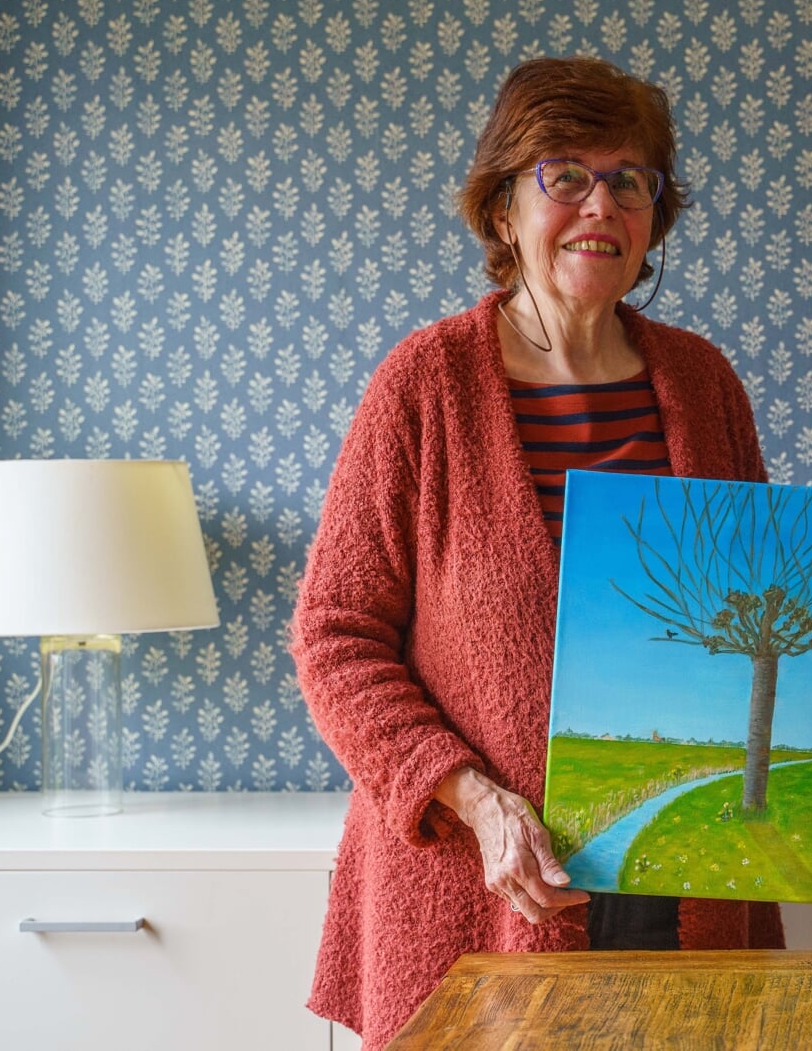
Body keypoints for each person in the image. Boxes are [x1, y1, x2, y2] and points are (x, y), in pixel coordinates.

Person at [293, 56, 781, 1046]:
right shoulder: (423, 384)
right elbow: (334, 638)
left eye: (630, 177)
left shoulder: (701, 381)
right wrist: (475, 800)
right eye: (566, 173)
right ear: (503, 207)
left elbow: (758, 613)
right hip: (486, 881)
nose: (602, 201)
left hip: (685, 879)